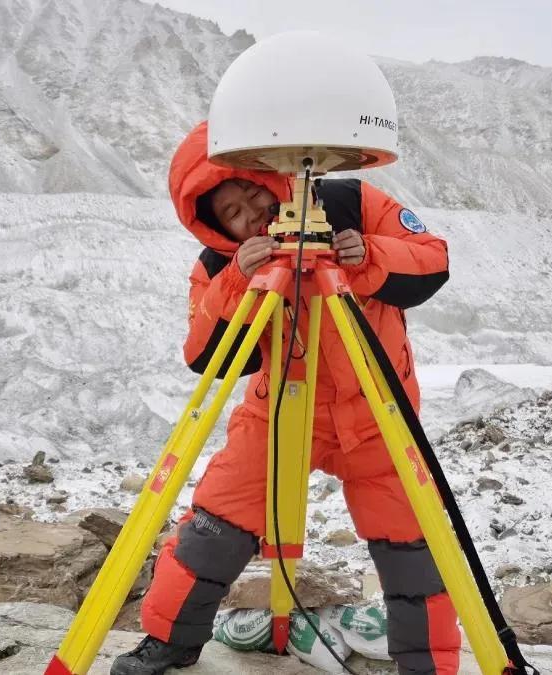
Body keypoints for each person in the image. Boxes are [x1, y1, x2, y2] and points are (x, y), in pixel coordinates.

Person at [111, 121, 456, 675]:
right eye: (233, 213)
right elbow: (203, 353)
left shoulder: (350, 203)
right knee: (215, 525)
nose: (252, 214)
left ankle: (429, 665)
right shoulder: (218, 264)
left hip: (378, 412)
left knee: (412, 546)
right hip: (278, 411)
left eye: (252, 193)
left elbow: (432, 259)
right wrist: (236, 282)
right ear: (215, 226)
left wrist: (368, 255)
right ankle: (171, 640)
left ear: (269, 175)